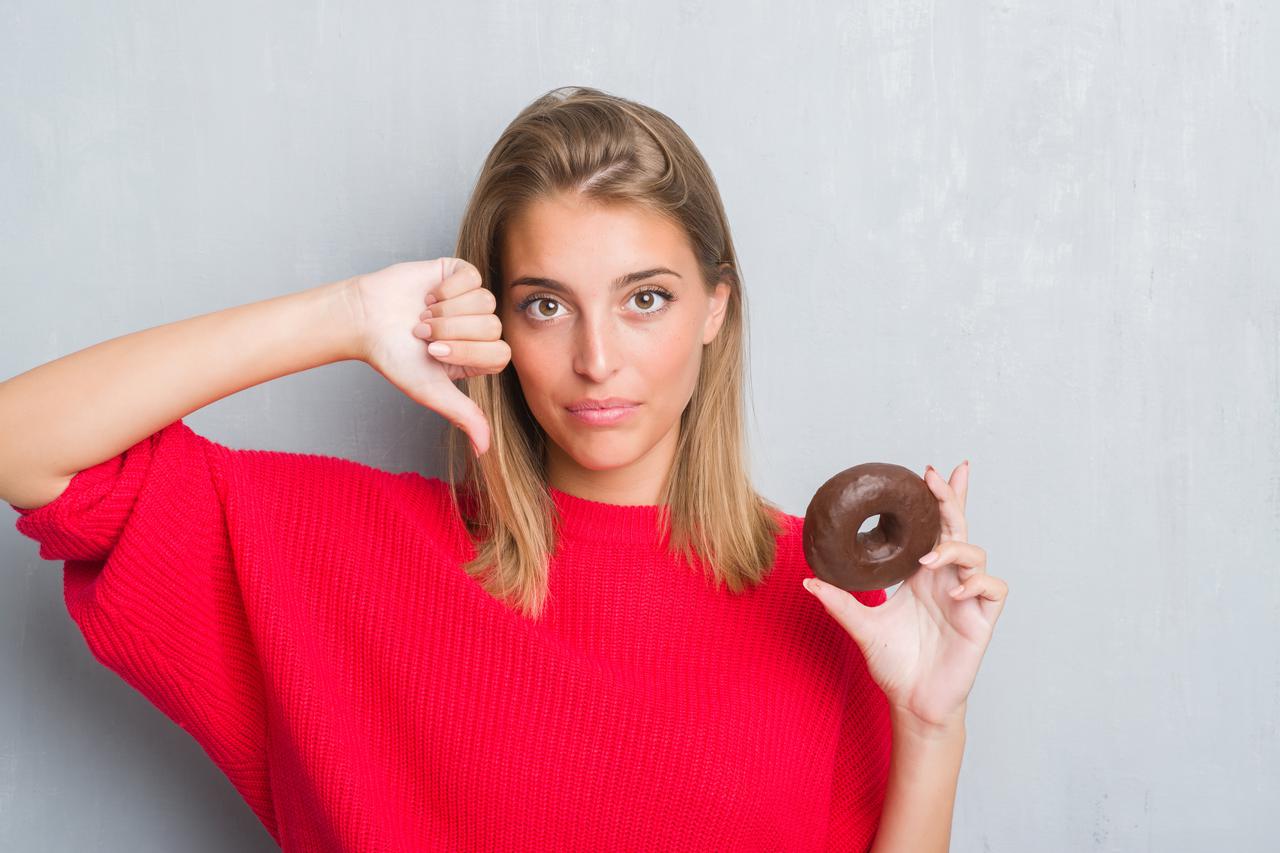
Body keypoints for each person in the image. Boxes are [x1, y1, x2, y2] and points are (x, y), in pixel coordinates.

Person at [0, 85, 1006, 852]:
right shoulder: (339, 555)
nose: (596, 359)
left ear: (714, 308)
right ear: (494, 323)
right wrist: (346, 317)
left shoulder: (825, 605)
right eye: (545, 304)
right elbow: (21, 442)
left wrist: (930, 726)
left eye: (644, 298)